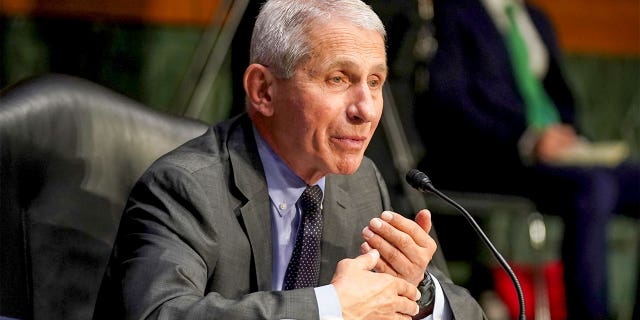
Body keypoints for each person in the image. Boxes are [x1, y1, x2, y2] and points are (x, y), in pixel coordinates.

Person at [93, 0, 486, 319]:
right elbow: (158, 313)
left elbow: (465, 310)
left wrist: (420, 292)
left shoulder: (362, 181)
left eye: (375, 82)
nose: (366, 110)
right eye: (338, 79)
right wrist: (330, 308)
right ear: (263, 90)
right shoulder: (185, 187)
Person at [415, 0, 640, 319]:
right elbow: (449, 99)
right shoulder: (456, 12)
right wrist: (526, 139)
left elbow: (558, 94)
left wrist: (567, 134)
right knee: (594, 187)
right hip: (496, 155)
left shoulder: (535, 17)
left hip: (558, 150)